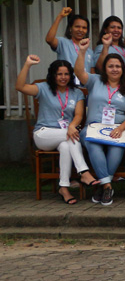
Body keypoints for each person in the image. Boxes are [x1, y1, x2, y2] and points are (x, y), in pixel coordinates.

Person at [16, 55, 94, 204]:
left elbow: (79, 114)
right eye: (59, 74)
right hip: (44, 134)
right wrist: (27, 65)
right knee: (72, 137)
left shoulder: (76, 92)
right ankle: (84, 172)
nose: (63, 77)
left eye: (66, 74)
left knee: (66, 145)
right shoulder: (44, 88)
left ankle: (63, 187)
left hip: (66, 134)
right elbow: (20, 87)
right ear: (53, 75)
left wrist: (71, 126)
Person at [74, 39, 125, 206]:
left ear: (123, 69)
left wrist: (121, 128)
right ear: (105, 68)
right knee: (91, 142)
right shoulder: (95, 80)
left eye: (118, 66)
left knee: (117, 146)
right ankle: (107, 185)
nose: (114, 69)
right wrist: (82, 51)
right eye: (111, 66)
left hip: (118, 127)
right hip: (93, 127)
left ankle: (101, 187)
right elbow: (79, 72)